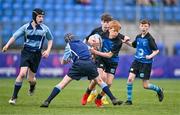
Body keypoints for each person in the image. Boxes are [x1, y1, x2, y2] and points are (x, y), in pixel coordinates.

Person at [40, 33, 122, 107]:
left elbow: (63, 62)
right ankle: (113, 98)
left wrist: (67, 60)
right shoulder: (83, 43)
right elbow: (92, 53)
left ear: (66, 41)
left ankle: (47, 101)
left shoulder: (68, 45)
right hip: (90, 63)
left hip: (79, 64)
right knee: (100, 82)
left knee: (62, 84)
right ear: (75, 37)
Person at [2, 8, 53, 105]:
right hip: (26, 52)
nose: (41, 18)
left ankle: (32, 86)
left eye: (42, 16)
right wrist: (7, 45)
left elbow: (50, 39)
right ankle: (14, 97)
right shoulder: (25, 27)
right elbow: (15, 36)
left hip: (37, 54)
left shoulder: (45, 29)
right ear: (34, 16)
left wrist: (48, 50)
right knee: (22, 74)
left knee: (31, 79)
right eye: (39, 16)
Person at [81, 20, 129, 107]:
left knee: (109, 83)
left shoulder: (118, 42)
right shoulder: (102, 35)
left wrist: (95, 52)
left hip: (112, 61)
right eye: (114, 31)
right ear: (109, 29)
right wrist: (92, 42)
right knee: (98, 78)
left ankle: (98, 98)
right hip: (101, 60)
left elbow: (109, 55)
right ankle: (86, 94)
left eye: (117, 31)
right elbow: (91, 39)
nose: (116, 33)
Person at [123, 20, 164, 105]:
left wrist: (150, 56)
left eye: (145, 26)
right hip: (137, 61)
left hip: (146, 63)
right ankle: (129, 100)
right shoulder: (138, 36)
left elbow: (156, 50)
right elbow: (133, 45)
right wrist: (125, 42)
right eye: (142, 26)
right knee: (130, 79)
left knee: (145, 86)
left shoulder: (150, 38)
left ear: (148, 27)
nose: (143, 28)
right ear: (139, 27)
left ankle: (159, 90)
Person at [84, 13, 113, 105]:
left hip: (106, 57)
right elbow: (86, 39)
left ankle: (99, 95)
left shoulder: (111, 32)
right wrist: (85, 48)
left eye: (109, 22)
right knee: (95, 76)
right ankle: (94, 93)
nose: (107, 24)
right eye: (105, 22)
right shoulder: (96, 31)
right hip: (96, 56)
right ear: (102, 22)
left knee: (103, 78)